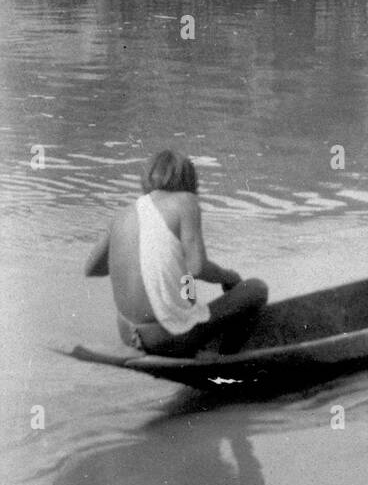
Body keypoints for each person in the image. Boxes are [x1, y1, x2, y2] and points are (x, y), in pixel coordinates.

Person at [84, 150, 268, 357]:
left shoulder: (124, 213)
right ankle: (227, 357)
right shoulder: (186, 201)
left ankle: (189, 334)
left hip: (128, 334)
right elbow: (197, 267)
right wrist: (229, 277)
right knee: (256, 288)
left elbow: (92, 269)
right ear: (189, 180)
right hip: (165, 338)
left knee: (186, 283)